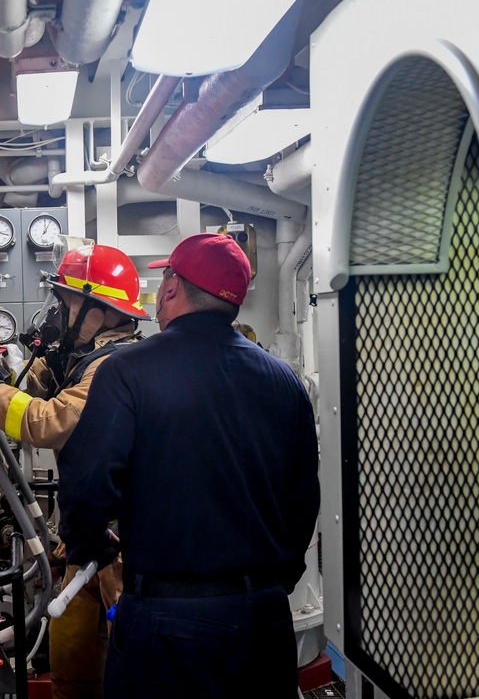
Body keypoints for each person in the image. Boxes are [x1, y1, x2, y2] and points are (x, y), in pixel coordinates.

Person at [57, 232, 320, 698]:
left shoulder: (128, 371)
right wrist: (267, 589)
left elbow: (87, 483)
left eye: (164, 280)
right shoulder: (286, 383)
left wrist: (91, 544)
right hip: (263, 621)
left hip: (165, 623)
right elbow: (303, 503)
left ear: (174, 288)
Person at [0, 244, 147, 699]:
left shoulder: (114, 368)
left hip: (119, 553)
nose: (57, 312)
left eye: (66, 303)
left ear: (100, 311)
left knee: (127, 675)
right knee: (72, 672)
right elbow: (24, 390)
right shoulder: (80, 358)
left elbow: (45, 421)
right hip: (83, 542)